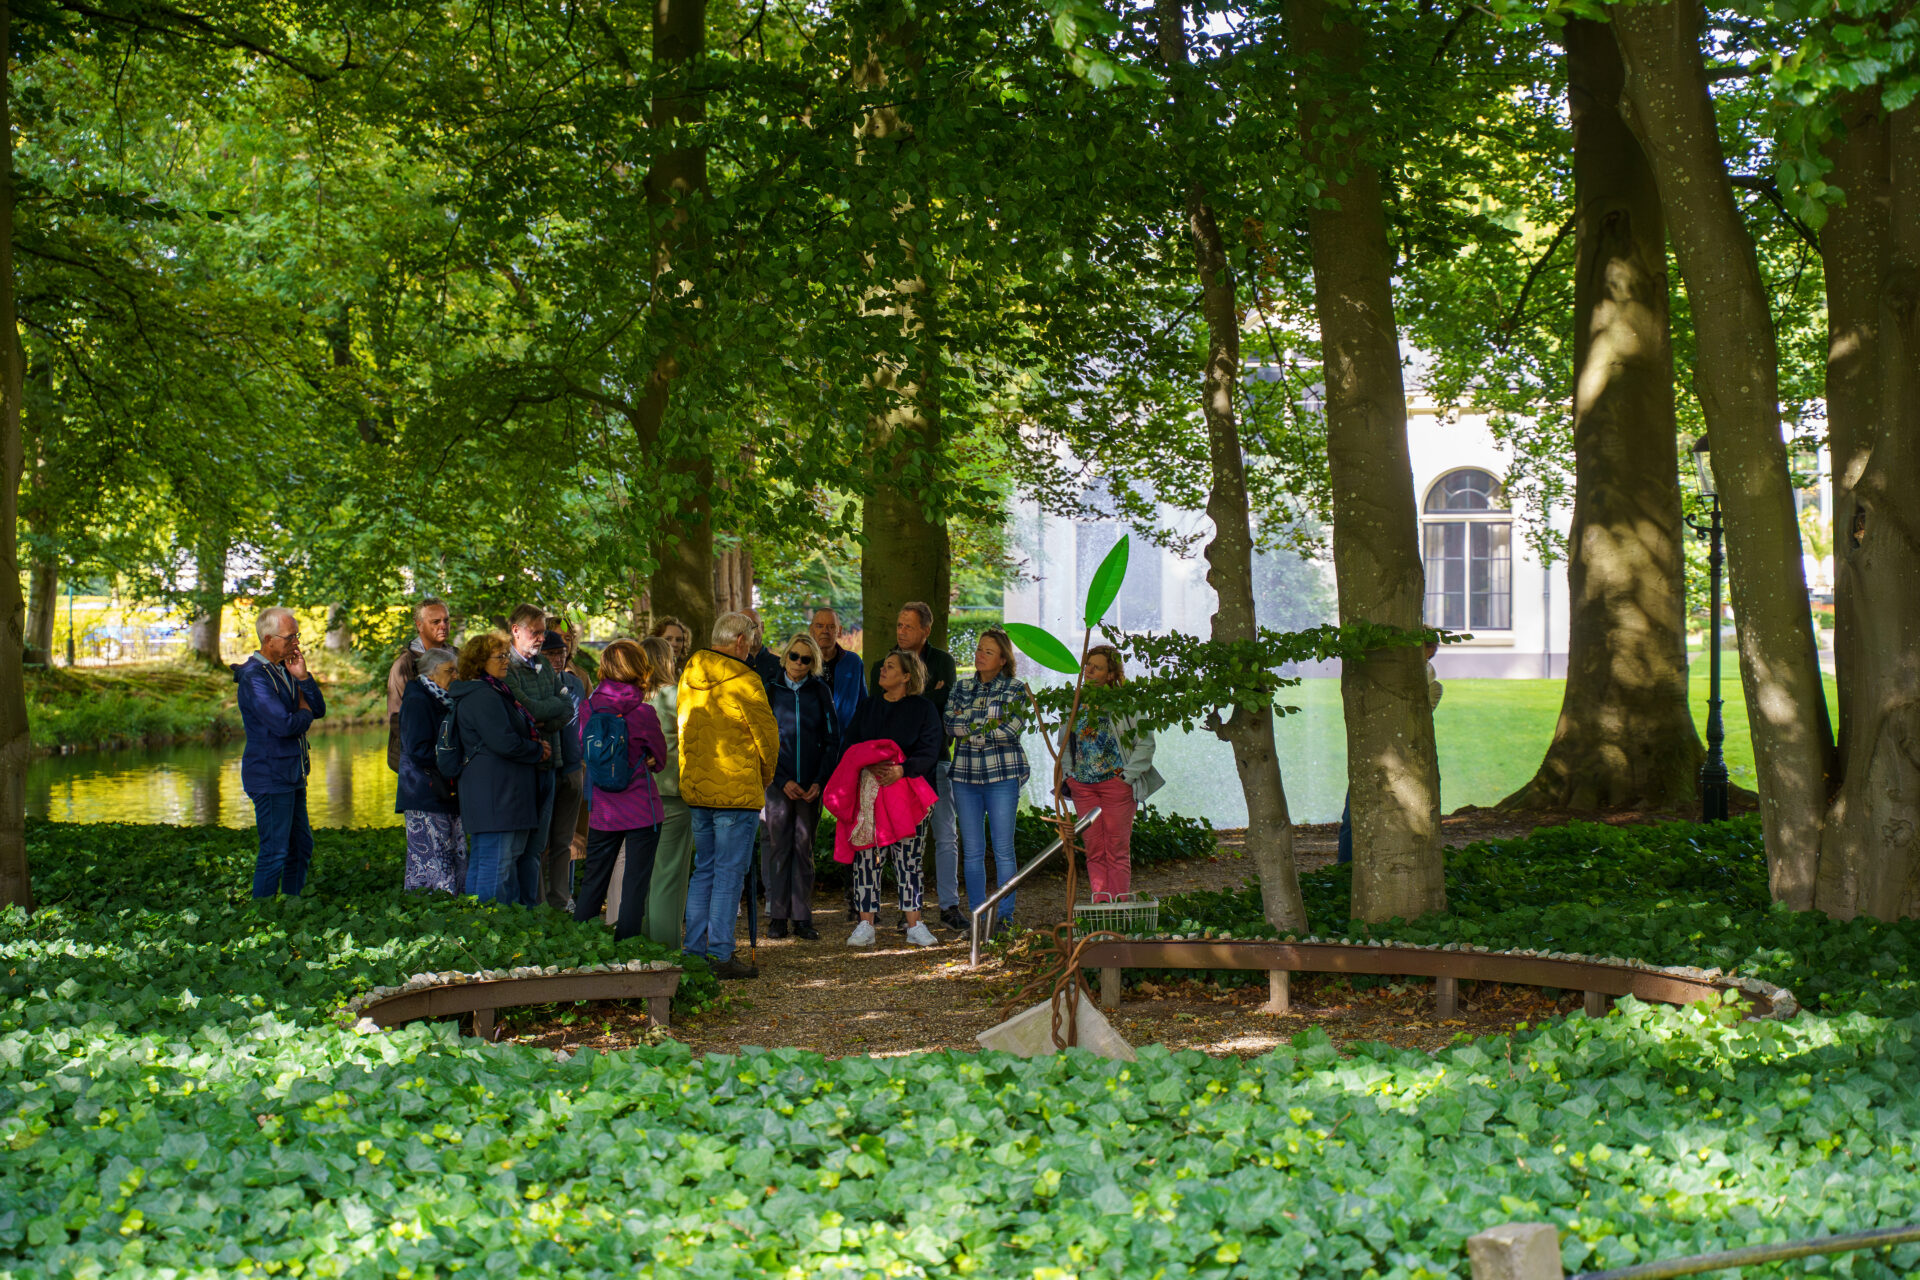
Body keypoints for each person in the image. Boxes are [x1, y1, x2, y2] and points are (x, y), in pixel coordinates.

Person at [678, 611, 781, 979]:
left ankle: (694, 951)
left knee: (704, 870)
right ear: (740, 641)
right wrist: (764, 778)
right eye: (750, 642)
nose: (752, 648)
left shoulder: (690, 674)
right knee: (728, 875)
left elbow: (683, 729)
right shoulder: (745, 679)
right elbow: (768, 739)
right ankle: (720, 953)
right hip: (736, 792)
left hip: (699, 789)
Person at [843, 649, 944, 947]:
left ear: (906, 676)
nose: (882, 670)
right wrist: (868, 764)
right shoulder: (868, 706)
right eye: (883, 666)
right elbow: (850, 744)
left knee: (909, 859)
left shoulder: (923, 709)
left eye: (890, 667)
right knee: (866, 859)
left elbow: (930, 749)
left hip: (908, 794)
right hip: (870, 792)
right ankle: (865, 924)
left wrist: (903, 769)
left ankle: (915, 924)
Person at [871, 602, 963, 931]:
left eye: (908, 626)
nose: (901, 631)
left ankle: (950, 907)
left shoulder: (943, 662)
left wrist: (912, 700)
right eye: (899, 625)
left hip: (935, 760)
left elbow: (945, 706)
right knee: (899, 839)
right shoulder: (883, 665)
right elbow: (880, 710)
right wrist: (925, 698)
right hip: (894, 769)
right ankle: (907, 909)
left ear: (926, 630)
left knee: (945, 834)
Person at [572, 639, 669, 940]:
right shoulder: (644, 713)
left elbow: (584, 749)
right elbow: (660, 758)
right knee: (634, 886)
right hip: (642, 809)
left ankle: (580, 944)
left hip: (603, 809)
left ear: (604, 668)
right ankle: (627, 950)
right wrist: (648, 759)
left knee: (593, 882)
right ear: (641, 669)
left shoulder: (588, 708)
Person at [449, 630, 549, 904]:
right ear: (480, 661)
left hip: (501, 792)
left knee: (493, 860)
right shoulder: (483, 696)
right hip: (495, 794)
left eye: (506, 655)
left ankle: (487, 919)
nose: (506, 660)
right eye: (499, 656)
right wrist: (537, 750)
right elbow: (503, 742)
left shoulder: (494, 691)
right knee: (495, 864)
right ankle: (488, 922)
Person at [1057, 645, 1163, 902]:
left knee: (1116, 849)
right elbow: (1064, 743)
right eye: (1088, 665)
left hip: (1116, 786)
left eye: (1097, 667)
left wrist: (1127, 777)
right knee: (1094, 849)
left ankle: (1119, 907)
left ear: (1111, 674)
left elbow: (1145, 743)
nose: (1089, 671)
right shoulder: (1076, 703)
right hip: (1083, 787)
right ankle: (1101, 905)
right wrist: (1069, 776)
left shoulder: (1126, 704)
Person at [234, 606, 326, 898]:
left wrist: (303, 678)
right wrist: (303, 711)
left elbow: (318, 709)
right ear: (268, 639)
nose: (296, 642)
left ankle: (291, 903)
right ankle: (262, 914)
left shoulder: (285, 668)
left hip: (293, 773)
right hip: (270, 774)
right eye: (290, 637)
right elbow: (284, 725)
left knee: (301, 845)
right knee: (275, 850)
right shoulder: (254, 677)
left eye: (297, 635)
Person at [946, 628, 1031, 936]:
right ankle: (978, 919)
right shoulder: (961, 687)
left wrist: (971, 727)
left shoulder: (1016, 688)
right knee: (972, 851)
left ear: (1003, 659)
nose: (980, 655)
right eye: (979, 649)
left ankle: (1004, 920)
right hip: (964, 777)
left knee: (1004, 849)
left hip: (1002, 776)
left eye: (988, 652)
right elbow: (950, 723)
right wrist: (985, 726)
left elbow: (1012, 729)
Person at [761, 632, 839, 940]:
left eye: (806, 659)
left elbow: (832, 739)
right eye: (794, 656)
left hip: (810, 786)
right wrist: (782, 780)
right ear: (785, 656)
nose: (798, 663)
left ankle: (802, 918)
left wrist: (819, 780)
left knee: (804, 849)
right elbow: (762, 742)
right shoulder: (770, 690)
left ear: (813, 663)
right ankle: (778, 917)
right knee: (779, 848)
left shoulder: (820, 691)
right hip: (778, 784)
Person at [1339, 640, 1444, 864]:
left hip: (1406, 761)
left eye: (1427, 652)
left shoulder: (1432, 687)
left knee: (1405, 818)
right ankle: (1344, 866)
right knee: (1352, 816)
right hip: (1372, 754)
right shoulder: (1379, 678)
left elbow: (1416, 719)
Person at [502, 604, 574, 905]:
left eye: (543, 632)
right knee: (514, 847)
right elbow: (523, 712)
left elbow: (567, 709)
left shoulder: (544, 663)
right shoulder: (505, 666)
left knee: (537, 847)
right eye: (536, 632)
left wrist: (542, 718)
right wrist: (540, 714)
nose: (542, 638)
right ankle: (512, 912)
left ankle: (532, 913)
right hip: (521, 770)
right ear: (516, 631)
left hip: (550, 767)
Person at [396, 646, 465, 893]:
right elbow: (417, 749)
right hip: (424, 791)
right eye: (450, 671)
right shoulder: (417, 700)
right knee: (430, 856)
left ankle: (453, 900)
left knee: (452, 850)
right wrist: (453, 759)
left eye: (456, 670)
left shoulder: (443, 699)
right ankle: (429, 904)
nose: (456, 675)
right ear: (431, 673)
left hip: (443, 789)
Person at [540, 628, 587, 911]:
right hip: (545, 768)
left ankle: (560, 900)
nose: (558, 658)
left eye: (561, 652)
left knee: (564, 840)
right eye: (551, 654)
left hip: (572, 767)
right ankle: (538, 903)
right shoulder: (532, 683)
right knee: (540, 842)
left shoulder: (575, 683)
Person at [387, 598, 450, 771]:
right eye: (435, 622)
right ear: (419, 625)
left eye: (446, 620)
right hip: (418, 760)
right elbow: (397, 718)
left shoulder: (457, 656)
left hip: (452, 754)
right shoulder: (404, 664)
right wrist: (428, 755)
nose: (443, 625)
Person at [811, 607, 867, 734]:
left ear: (839, 631)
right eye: (819, 626)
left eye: (831, 627)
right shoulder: (802, 662)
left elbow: (863, 705)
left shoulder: (853, 662)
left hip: (846, 738)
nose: (825, 631)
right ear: (811, 630)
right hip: (812, 738)